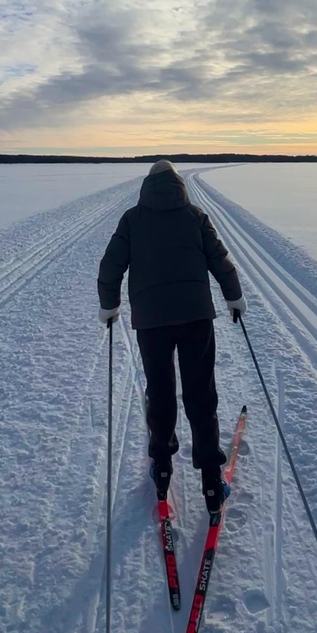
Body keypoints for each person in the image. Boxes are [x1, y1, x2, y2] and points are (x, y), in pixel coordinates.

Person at [97, 160, 247, 512]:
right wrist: (233, 297)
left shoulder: (132, 220)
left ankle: (161, 464)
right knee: (200, 393)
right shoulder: (194, 216)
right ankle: (211, 478)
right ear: (179, 185)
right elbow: (220, 259)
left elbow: (110, 266)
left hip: (152, 322)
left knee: (160, 391)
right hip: (196, 317)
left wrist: (110, 306)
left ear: (147, 186)